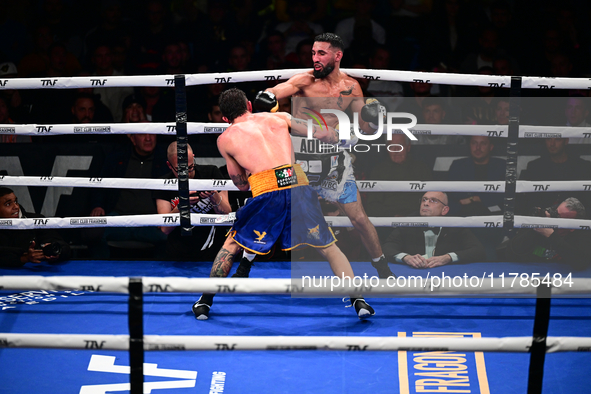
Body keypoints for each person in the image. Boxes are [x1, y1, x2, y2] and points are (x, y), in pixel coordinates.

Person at [192, 88, 375, 320]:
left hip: (267, 190)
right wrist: (344, 136)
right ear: (249, 105)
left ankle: (205, 302)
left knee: (232, 243)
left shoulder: (225, 138)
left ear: (225, 118)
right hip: (298, 184)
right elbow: (321, 133)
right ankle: (358, 300)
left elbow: (240, 184)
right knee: (328, 246)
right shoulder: (280, 117)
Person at [254, 32, 394, 278]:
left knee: (359, 218)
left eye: (321, 53)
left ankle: (382, 267)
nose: (315, 58)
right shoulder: (304, 81)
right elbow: (279, 89)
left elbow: (365, 127)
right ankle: (244, 266)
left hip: (333, 162)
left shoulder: (351, 87)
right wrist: (269, 95)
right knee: (269, 211)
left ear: (337, 56)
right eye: (313, 53)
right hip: (300, 160)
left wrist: (375, 118)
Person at [154, 142, 231, 261]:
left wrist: (214, 196)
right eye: (181, 169)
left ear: (193, 158)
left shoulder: (211, 173)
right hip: (179, 253)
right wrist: (181, 207)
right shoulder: (163, 184)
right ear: (169, 165)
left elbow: (226, 213)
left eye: (190, 167)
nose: (187, 174)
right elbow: (164, 229)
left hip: (214, 251)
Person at [382, 191, 486, 268]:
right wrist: (406, 258)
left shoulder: (455, 225)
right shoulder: (408, 222)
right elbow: (387, 248)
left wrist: (447, 257)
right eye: (424, 199)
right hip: (412, 278)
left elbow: (478, 250)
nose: (426, 203)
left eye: (433, 201)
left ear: (444, 210)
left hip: (447, 278)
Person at [503, 198, 591, 270]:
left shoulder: (583, 233)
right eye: (555, 212)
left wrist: (551, 236)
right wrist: (536, 229)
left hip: (565, 279)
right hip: (534, 274)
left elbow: (581, 263)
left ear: (572, 227)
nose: (554, 217)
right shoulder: (540, 222)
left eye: (560, 217)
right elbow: (511, 253)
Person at [0, 187, 71, 267]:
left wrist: (56, 251)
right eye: (8, 204)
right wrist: (23, 257)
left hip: (37, 273)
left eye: (16, 201)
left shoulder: (35, 220)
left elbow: (64, 246)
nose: (16, 207)